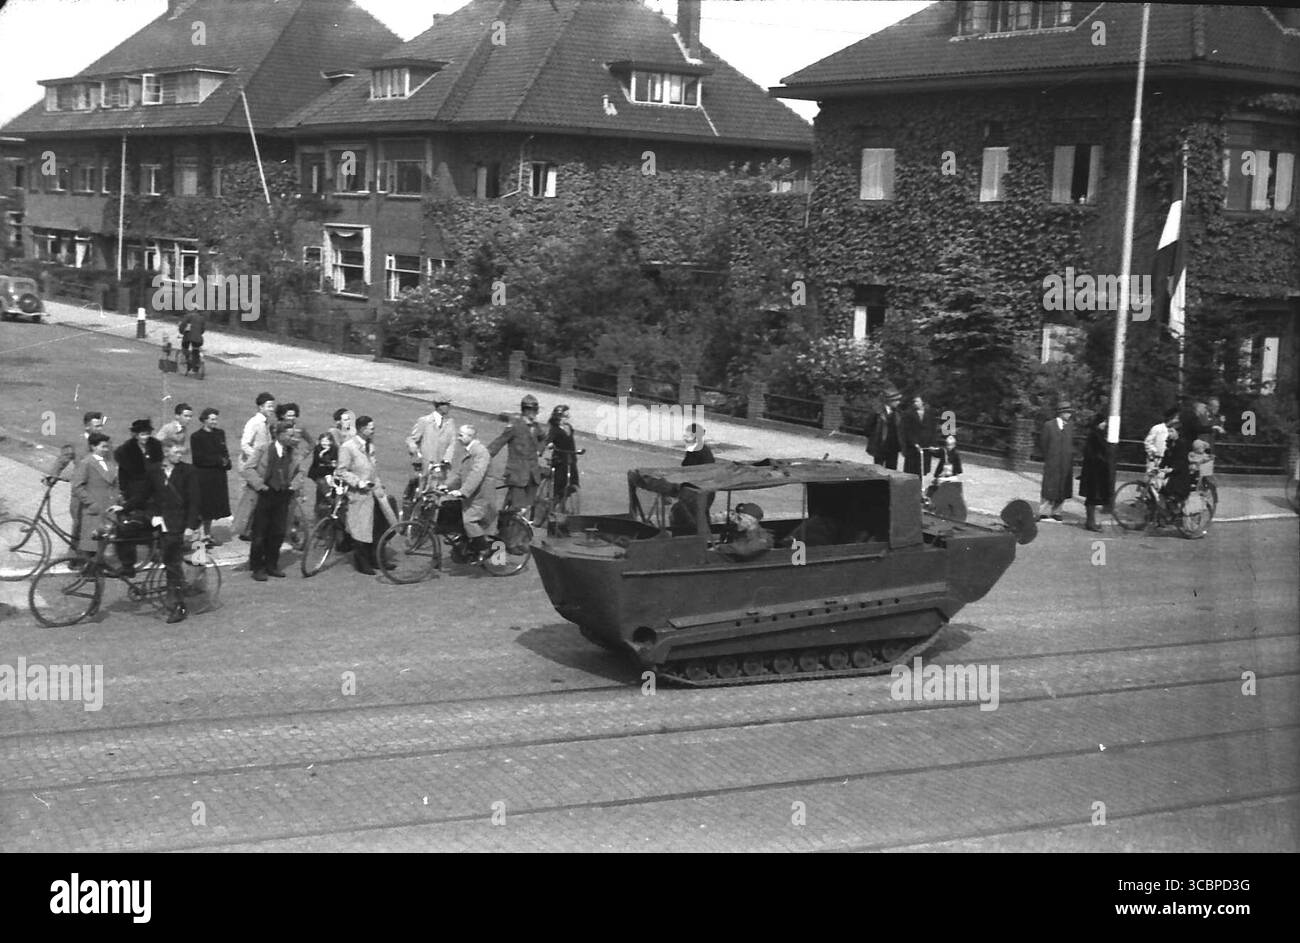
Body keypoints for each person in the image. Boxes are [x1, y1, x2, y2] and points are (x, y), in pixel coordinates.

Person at [140, 439, 202, 624]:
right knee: (168, 564)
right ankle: (172, 596)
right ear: (166, 453)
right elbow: (144, 496)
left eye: (181, 453)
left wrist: (190, 527)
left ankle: (179, 606)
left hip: (180, 525)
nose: (180, 456)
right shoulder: (154, 471)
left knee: (173, 565)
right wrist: (124, 507)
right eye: (176, 453)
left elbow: (194, 501)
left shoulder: (188, 471)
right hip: (162, 524)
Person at [241, 420, 306, 581]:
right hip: (265, 495)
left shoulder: (293, 452)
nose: (292, 438)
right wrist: (260, 485)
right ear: (279, 435)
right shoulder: (263, 449)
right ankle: (257, 567)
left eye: (293, 434)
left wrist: (294, 485)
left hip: (283, 496)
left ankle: (272, 565)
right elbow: (248, 468)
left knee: (277, 532)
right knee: (260, 533)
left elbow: (301, 471)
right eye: (289, 435)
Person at [334, 415, 398, 574]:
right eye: (371, 428)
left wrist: (379, 486)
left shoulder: (370, 446)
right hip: (359, 495)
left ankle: (377, 558)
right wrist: (357, 482)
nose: (373, 431)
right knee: (361, 528)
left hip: (375, 492)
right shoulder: (348, 447)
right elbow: (341, 471)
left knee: (379, 526)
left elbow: (372, 469)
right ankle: (362, 561)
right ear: (362, 429)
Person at [443, 424, 500, 564]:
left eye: (461, 435)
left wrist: (463, 492)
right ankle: (466, 545)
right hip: (473, 495)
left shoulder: (480, 452)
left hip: (481, 496)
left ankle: (484, 549)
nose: (458, 437)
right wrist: (446, 486)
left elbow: (476, 475)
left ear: (471, 436)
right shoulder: (469, 451)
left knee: (469, 520)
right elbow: (461, 475)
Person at [488, 394, 547, 517]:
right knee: (517, 508)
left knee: (527, 507)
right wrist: (484, 456)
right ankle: (508, 531)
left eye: (535, 411)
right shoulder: (515, 426)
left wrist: (539, 450)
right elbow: (499, 442)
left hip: (533, 475)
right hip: (517, 473)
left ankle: (519, 531)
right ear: (525, 411)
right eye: (532, 411)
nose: (535, 414)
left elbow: (543, 439)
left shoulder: (536, 427)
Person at [70, 431, 120, 562]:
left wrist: (118, 499)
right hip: (95, 509)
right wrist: (91, 503)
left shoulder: (109, 463)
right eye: (103, 447)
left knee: (104, 544)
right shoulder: (86, 462)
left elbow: (115, 484)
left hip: (109, 508)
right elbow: (77, 486)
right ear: (93, 447)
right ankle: (87, 572)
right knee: (91, 545)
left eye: (107, 446)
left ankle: (97, 572)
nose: (106, 449)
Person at [59, 411, 107, 546]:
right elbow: (62, 460)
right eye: (96, 426)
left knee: (96, 522)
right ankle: (74, 554)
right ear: (87, 427)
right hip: (80, 490)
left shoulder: (104, 443)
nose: (100, 429)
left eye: (100, 426)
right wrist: (52, 476)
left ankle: (92, 556)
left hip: (97, 490)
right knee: (78, 521)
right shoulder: (76, 443)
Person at [233, 392, 277, 539]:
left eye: (272, 406)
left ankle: (249, 529)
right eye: (269, 406)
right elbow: (244, 444)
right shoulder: (254, 423)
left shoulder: (266, 423)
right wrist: (257, 457)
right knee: (248, 499)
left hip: (259, 467)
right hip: (250, 466)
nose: (271, 409)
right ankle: (243, 530)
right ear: (260, 407)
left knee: (255, 499)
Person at [189, 408, 232, 547]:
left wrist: (226, 462)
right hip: (204, 477)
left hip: (218, 476)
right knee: (204, 506)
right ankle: (200, 535)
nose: (215, 422)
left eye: (216, 419)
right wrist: (218, 461)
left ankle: (207, 534)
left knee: (213, 507)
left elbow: (224, 451)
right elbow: (198, 459)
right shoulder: (196, 437)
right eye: (212, 419)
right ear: (204, 420)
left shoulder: (220, 434)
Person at [545, 404, 582, 529]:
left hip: (570, 459)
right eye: (566, 415)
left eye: (568, 415)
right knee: (560, 484)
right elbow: (549, 439)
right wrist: (550, 444)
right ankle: (554, 507)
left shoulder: (569, 428)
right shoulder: (555, 429)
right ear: (559, 417)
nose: (568, 418)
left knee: (572, 483)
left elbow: (571, 443)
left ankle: (564, 503)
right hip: (560, 459)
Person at [1038, 400, 1075, 521]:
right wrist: (1049, 456)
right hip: (1052, 461)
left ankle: (1057, 511)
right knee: (1049, 485)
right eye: (1067, 412)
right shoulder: (1049, 425)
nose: (1069, 415)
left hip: (1065, 462)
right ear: (1061, 413)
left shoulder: (1069, 426)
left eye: (1070, 412)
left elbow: (1070, 444)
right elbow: (1043, 443)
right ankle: (1044, 511)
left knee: (1062, 486)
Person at [1078, 413, 1113, 532]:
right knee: (1092, 497)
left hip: (1095, 471)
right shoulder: (1095, 435)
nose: (1105, 424)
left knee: (1092, 497)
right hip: (1094, 471)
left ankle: (1091, 522)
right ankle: (1090, 523)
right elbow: (1093, 453)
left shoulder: (1097, 434)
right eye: (1103, 422)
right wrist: (1102, 461)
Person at [865, 387, 903, 470]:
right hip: (880, 445)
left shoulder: (898, 413)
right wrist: (874, 438)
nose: (898, 402)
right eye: (896, 400)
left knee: (892, 469)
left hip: (893, 447)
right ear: (890, 401)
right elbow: (868, 428)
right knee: (878, 468)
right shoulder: (877, 412)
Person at [901, 395, 936, 478]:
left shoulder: (930, 413)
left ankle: (920, 486)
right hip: (913, 446)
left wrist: (933, 444)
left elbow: (933, 429)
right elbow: (907, 430)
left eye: (917, 401)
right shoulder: (909, 413)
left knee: (922, 469)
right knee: (911, 469)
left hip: (926, 445)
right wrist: (914, 442)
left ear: (922, 402)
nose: (915, 403)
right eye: (914, 401)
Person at [177, 310, 206, 375]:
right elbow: (203, 330)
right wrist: (198, 333)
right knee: (196, 350)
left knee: (184, 349)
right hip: (199, 339)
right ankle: (195, 367)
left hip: (188, 337)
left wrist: (181, 332)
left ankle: (188, 363)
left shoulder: (188, 316)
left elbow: (182, 325)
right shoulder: (202, 318)